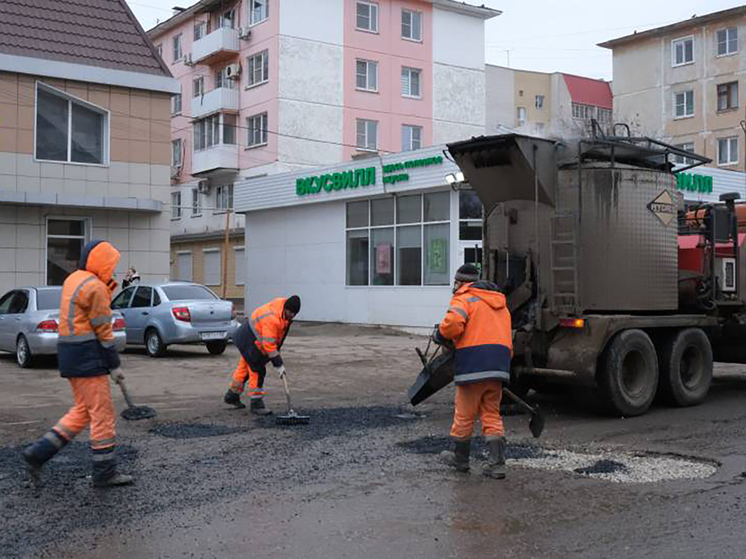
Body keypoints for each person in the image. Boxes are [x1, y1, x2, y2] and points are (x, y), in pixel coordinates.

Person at [22, 240, 133, 488]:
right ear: (101, 263)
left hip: (71, 355)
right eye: (111, 265)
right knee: (102, 414)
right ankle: (105, 473)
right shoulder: (94, 288)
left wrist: (112, 283)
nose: (114, 270)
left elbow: (97, 301)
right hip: (88, 357)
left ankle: (38, 453)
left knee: (83, 411)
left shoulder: (76, 279)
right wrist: (114, 364)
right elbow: (104, 330)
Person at [435, 264, 513, 479]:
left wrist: (440, 334)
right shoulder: (500, 303)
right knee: (491, 414)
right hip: (498, 366)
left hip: (473, 366)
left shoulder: (464, 298)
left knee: (464, 415)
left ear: (460, 282)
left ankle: (460, 461)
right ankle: (497, 464)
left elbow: (452, 326)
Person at [224, 295, 301, 414]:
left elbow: (277, 338)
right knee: (257, 370)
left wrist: (277, 357)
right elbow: (269, 344)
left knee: (244, 367)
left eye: (294, 314)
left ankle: (232, 395)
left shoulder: (283, 311)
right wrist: (278, 364)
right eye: (290, 312)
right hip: (250, 339)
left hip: (248, 336)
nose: (292, 316)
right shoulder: (272, 319)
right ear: (286, 308)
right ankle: (256, 403)